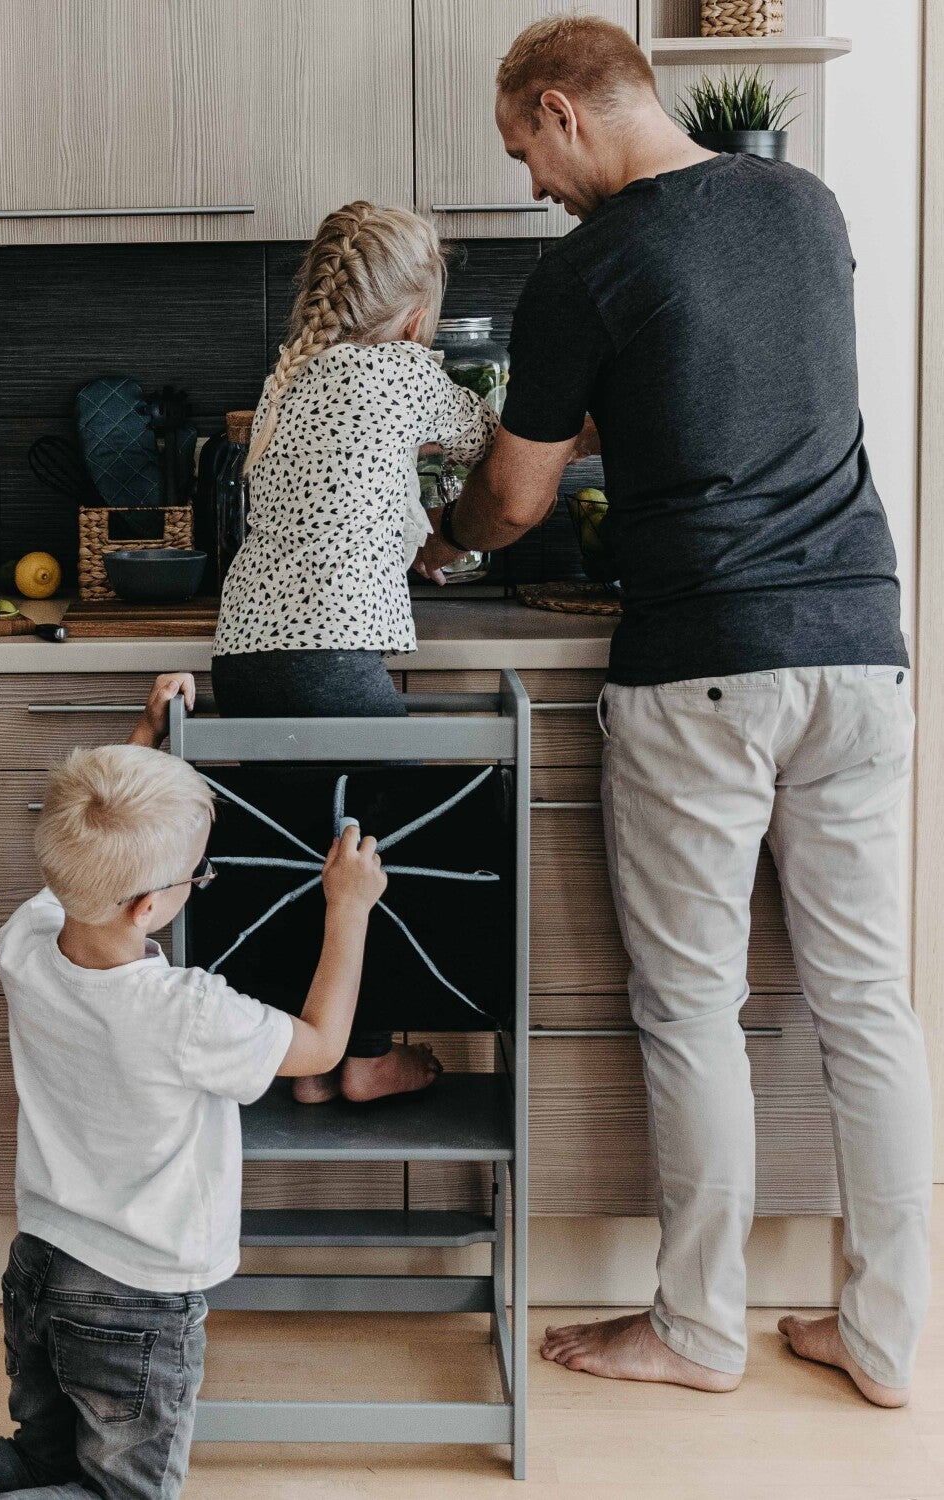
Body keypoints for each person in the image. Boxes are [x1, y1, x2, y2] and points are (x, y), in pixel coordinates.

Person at [419, 14, 929, 1408]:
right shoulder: (805, 205)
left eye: (525, 146)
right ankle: (885, 1339)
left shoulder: (589, 268)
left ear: (566, 108)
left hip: (705, 662)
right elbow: (735, 388)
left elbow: (517, 497)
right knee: (869, 1006)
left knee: (696, 1007)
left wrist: (445, 540)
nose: (530, 181)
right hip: (863, 647)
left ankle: (700, 1329)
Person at [0, 673, 387, 1500]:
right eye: (196, 875)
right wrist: (348, 908)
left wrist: (141, 734)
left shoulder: (26, 940)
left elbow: (80, 853)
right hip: (135, 1297)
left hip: (40, 1263)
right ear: (150, 908)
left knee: (42, 1459)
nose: (196, 883)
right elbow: (322, 1046)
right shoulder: (184, 1012)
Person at [211, 200, 502, 1105]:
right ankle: (368, 1052)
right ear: (418, 317)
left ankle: (305, 1060)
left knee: (301, 856)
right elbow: (500, 447)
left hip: (247, 657)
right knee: (392, 854)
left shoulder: (286, 378)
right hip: (330, 660)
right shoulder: (402, 370)